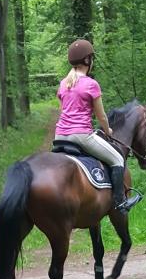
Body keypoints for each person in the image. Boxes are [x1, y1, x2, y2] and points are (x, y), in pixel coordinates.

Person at [54, 39, 139, 212]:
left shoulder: (63, 84)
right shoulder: (91, 84)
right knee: (117, 159)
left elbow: (63, 111)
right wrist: (107, 130)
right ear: (87, 60)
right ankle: (120, 202)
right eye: (91, 59)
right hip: (81, 136)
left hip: (60, 136)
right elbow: (101, 116)